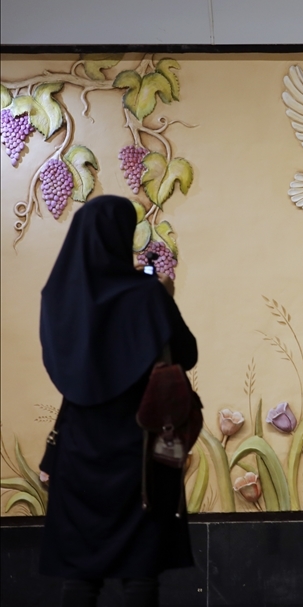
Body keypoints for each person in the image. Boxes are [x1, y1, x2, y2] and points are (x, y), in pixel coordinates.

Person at [37, 195, 198, 607]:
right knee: (139, 570)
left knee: (79, 574)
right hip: (138, 449)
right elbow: (186, 354)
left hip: (77, 449)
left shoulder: (57, 297)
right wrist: (165, 298)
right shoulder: (145, 295)